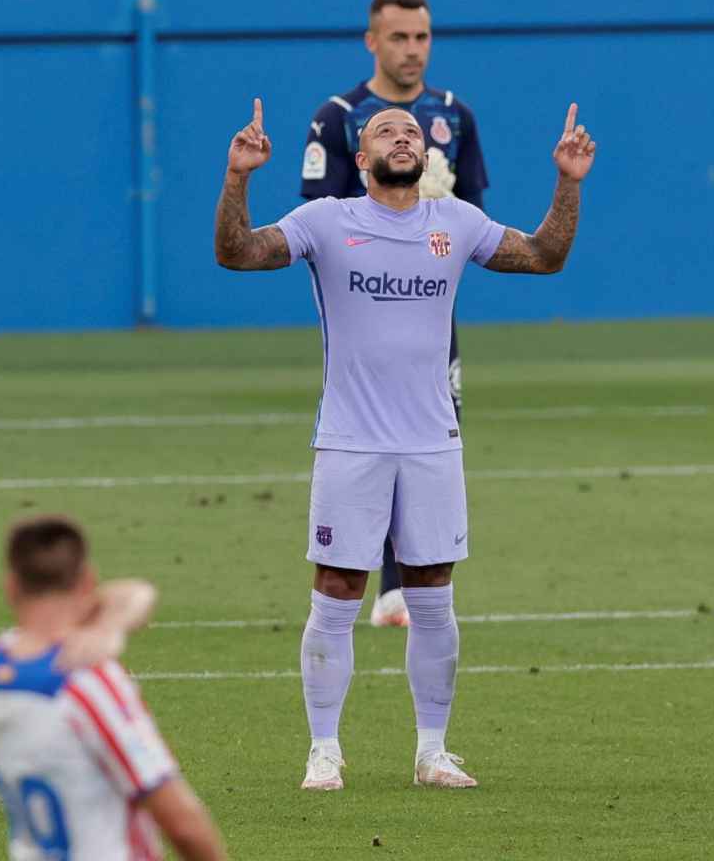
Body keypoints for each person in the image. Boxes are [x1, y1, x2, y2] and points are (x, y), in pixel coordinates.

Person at [214, 97, 595, 790]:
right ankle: (323, 750)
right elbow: (237, 253)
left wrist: (568, 181)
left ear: (427, 156)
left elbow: (544, 256)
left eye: (412, 131)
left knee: (431, 591)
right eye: (385, 131)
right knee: (337, 587)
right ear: (360, 159)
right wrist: (238, 176)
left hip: (432, 442)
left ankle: (432, 751)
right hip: (351, 439)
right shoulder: (326, 221)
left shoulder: (456, 222)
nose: (402, 137)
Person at [300, 0, 491, 628]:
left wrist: (436, 199)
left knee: (434, 429)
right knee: (368, 435)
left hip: (429, 305)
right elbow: (319, 218)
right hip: (365, 303)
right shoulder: (339, 116)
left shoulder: (454, 115)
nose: (413, 50)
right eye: (399, 38)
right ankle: (378, 580)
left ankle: (403, 581)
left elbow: (476, 215)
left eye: (422, 37)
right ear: (372, 41)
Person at [0, 515, 229, 860]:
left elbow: (135, 595)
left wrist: (109, 627)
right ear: (87, 581)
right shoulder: (86, 684)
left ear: (11, 586)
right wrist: (109, 628)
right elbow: (182, 824)